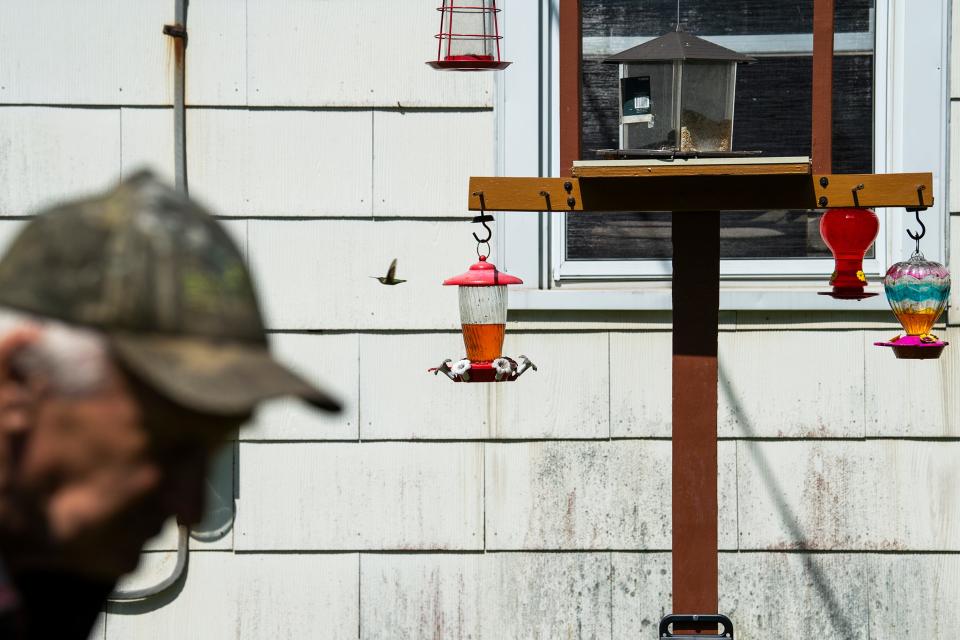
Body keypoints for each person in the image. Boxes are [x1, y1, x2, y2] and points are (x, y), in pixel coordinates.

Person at [0, 172, 340, 638]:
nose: (191, 506)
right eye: (168, 445)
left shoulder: (54, 577)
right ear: (17, 383)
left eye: (212, 450)